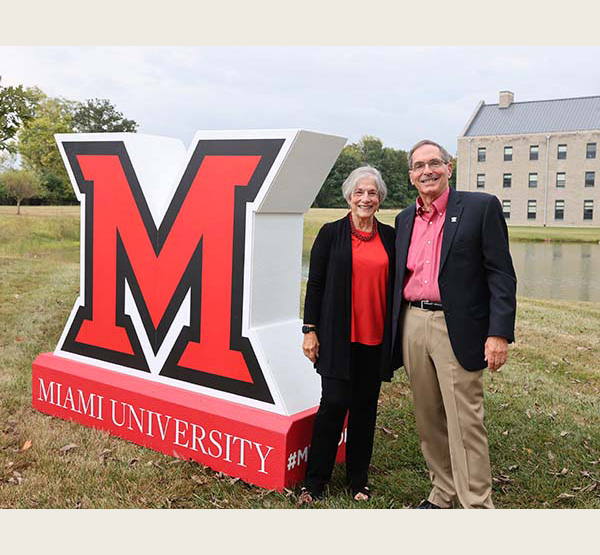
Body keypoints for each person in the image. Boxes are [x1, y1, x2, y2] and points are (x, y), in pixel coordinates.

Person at [391, 139, 517, 509]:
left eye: (434, 163)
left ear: (449, 167)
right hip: (413, 322)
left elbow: (501, 274)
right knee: (428, 417)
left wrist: (498, 333)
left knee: (465, 421)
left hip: (456, 326)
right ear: (411, 175)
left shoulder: (480, 208)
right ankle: (443, 493)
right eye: (418, 165)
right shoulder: (404, 219)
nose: (427, 170)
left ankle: (476, 504)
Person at [299, 166, 396, 504]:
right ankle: (314, 481)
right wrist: (310, 329)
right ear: (349, 197)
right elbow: (316, 284)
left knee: (365, 409)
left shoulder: (391, 237)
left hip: (376, 338)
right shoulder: (330, 233)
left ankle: (358, 479)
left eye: (371, 193)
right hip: (338, 336)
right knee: (334, 404)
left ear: (380, 199)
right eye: (359, 192)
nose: (365, 198)